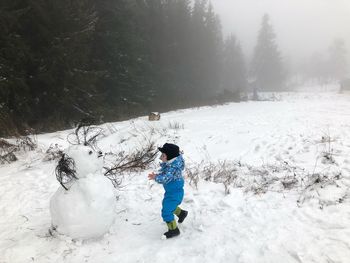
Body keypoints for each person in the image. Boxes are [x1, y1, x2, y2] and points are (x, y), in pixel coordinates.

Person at [148, 143, 188, 239]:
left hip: (174, 193)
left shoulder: (172, 167)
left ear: (169, 157)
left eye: (163, 155)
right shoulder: (172, 164)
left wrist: (156, 177)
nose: (161, 157)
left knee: (166, 211)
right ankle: (182, 213)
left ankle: (174, 230)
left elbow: (165, 178)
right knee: (169, 206)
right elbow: (166, 172)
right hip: (172, 191)